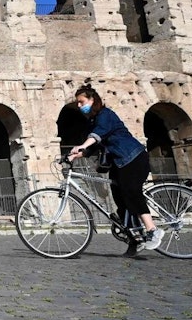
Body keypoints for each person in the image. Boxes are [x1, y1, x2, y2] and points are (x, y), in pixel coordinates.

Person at [66, 84, 164, 256]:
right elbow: (95, 145)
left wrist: (82, 145)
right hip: (118, 163)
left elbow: (98, 134)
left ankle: (152, 230)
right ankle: (136, 239)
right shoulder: (92, 121)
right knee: (120, 200)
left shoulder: (106, 115)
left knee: (131, 191)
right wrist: (77, 155)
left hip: (132, 157)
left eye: (82, 102)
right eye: (78, 103)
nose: (79, 106)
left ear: (92, 100)